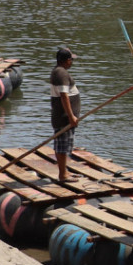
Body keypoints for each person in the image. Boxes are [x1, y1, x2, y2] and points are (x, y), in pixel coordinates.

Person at [50, 47, 81, 182]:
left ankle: (65, 171)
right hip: (63, 119)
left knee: (65, 145)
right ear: (67, 61)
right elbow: (64, 96)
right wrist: (71, 116)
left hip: (65, 118)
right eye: (71, 60)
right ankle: (63, 175)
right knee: (62, 146)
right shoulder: (61, 73)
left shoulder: (59, 71)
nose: (72, 62)